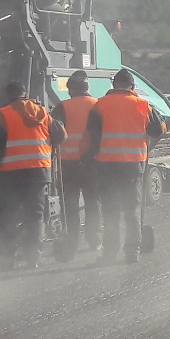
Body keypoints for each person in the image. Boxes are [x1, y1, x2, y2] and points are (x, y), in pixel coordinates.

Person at [86, 68, 165, 264]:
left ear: (114, 85)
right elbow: (158, 129)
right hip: (133, 165)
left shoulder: (100, 105)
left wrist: (90, 159)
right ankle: (132, 253)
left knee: (111, 209)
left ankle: (110, 253)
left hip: (107, 165)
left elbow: (92, 136)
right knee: (132, 209)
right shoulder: (143, 105)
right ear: (132, 87)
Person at [0, 80, 61, 268]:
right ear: (25, 93)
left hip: (10, 175)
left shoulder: (2, 115)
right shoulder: (42, 112)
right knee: (35, 216)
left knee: (8, 216)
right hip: (39, 173)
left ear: (7, 96)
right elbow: (61, 135)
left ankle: (7, 260)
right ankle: (33, 258)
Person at [54, 70, 100, 252]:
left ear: (71, 89)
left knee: (70, 206)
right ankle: (95, 240)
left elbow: (53, 133)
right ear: (87, 88)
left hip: (68, 164)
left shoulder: (61, 108)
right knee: (93, 203)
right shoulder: (98, 105)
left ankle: (71, 243)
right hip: (93, 164)